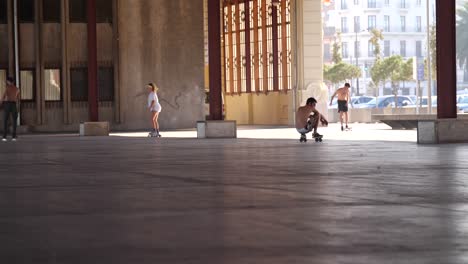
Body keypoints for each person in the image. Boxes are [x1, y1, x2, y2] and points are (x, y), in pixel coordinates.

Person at [1, 77, 20, 141]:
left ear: (9, 82)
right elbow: (18, 99)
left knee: (5, 120)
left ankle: (4, 137)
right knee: (14, 121)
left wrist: (1, 103)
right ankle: (14, 137)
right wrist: (18, 108)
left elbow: (3, 96)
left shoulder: (7, 88)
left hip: (7, 104)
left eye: (7, 81)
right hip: (14, 105)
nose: (7, 82)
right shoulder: (17, 89)